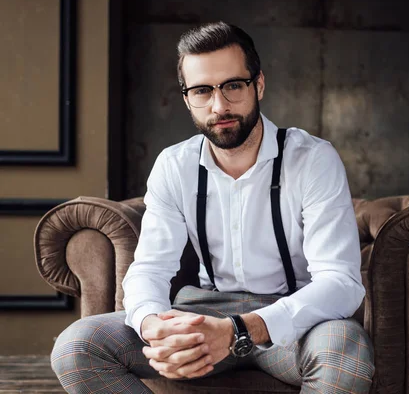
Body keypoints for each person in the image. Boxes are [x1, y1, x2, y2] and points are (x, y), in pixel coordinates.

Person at [51, 21, 375, 393]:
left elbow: (342, 283)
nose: (219, 106)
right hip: (201, 313)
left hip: (294, 323)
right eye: (203, 91)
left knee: (344, 353)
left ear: (260, 85)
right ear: (187, 98)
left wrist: (241, 328)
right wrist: (153, 325)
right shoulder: (174, 165)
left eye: (233, 86)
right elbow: (150, 269)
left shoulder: (313, 160)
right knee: (77, 347)